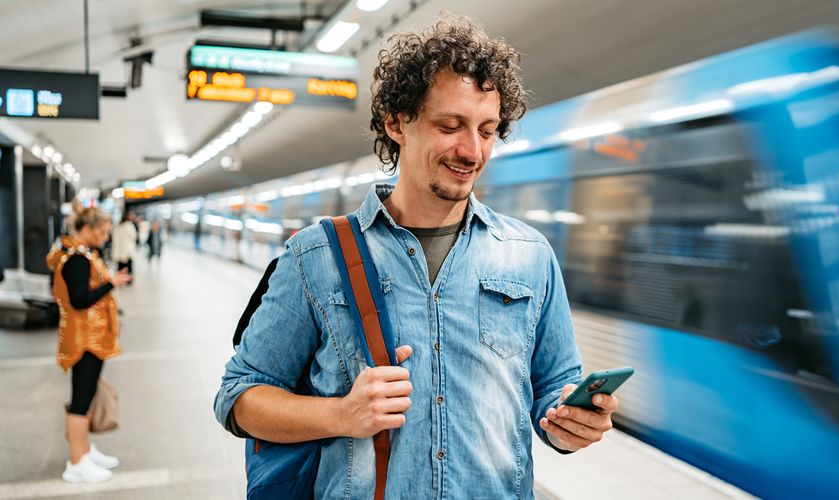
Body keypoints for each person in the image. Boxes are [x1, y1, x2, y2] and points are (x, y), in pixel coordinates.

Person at [214, 17, 621, 498]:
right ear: (396, 123)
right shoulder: (315, 256)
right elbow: (239, 396)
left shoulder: (529, 256)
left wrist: (569, 422)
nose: (472, 150)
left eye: (487, 130)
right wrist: (340, 414)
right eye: (451, 126)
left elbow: (555, 385)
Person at [46, 207, 131, 483]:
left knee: (87, 396)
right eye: (103, 232)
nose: (105, 237)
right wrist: (111, 283)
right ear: (87, 229)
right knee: (80, 401)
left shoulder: (82, 256)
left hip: (90, 339)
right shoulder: (77, 261)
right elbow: (80, 299)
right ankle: (76, 461)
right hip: (84, 341)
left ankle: (84, 450)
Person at [111, 212, 137, 283]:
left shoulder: (118, 226)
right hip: (128, 250)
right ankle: (128, 280)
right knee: (128, 266)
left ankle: (120, 280)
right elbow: (134, 236)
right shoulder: (129, 225)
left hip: (119, 250)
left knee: (121, 266)